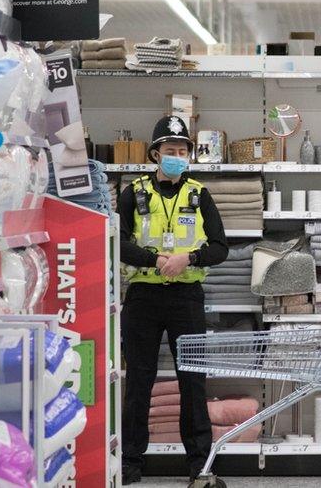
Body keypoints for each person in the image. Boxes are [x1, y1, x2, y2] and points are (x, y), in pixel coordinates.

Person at [118, 115, 230, 485]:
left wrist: (189, 258)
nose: (177, 156)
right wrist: (155, 259)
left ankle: (199, 464)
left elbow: (220, 247)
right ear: (155, 154)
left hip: (186, 297)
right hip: (143, 297)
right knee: (138, 380)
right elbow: (117, 243)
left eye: (183, 151)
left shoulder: (199, 194)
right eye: (170, 150)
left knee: (192, 381)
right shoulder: (133, 193)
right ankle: (131, 462)